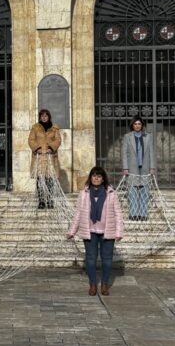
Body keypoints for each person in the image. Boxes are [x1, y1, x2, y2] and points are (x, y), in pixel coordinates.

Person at [67, 167, 123, 296]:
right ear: (90, 178)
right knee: (90, 259)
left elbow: (118, 214)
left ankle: (104, 284)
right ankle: (92, 284)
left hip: (107, 231)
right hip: (90, 231)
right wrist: (72, 231)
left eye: (99, 176)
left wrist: (119, 232)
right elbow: (78, 213)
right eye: (94, 176)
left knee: (107, 260)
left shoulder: (111, 193)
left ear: (103, 179)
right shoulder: (84, 193)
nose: (96, 178)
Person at [121, 116, 156, 220]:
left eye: (139, 124)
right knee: (132, 190)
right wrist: (125, 167)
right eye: (135, 124)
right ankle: (133, 214)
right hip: (132, 167)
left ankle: (143, 214)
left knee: (144, 191)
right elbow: (124, 153)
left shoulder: (148, 136)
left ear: (142, 125)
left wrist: (152, 167)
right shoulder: (127, 137)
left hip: (145, 167)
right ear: (132, 125)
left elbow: (151, 153)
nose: (137, 126)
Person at [27, 109, 61, 209]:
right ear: (40, 117)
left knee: (50, 179)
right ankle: (41, 201)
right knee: (40, 180)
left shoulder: (54, 128)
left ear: (49, 117)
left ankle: (50, 200)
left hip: (50, 158)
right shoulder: (35, 127)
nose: (44, 117)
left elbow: (58, 140)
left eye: (46, 116)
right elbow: (31, 140)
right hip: (39, 158)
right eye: (42, 116)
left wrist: (51, 148)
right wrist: (37, 148)